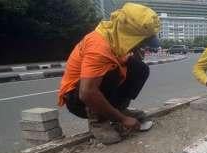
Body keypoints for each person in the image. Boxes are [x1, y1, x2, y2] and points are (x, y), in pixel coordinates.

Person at [58, 3, 160, 145]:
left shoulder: (116, 38)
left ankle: (119, 110)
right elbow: (87, 93)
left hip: (93, 92)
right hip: (78, 100)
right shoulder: (99, 47)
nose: (142, 45)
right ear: (130, 34)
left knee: (139, 68)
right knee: (111, 71)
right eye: (141, 41)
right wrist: (123, 120)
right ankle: (98, 121)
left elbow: (128, 67)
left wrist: (135, 56)